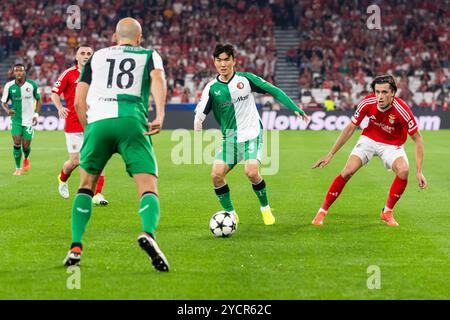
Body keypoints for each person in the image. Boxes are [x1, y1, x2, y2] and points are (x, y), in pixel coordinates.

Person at [63, 17, 169, 272]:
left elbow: (78, 102)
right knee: (147, 186)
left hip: (99, 123)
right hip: (132, 121)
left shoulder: (96, 57)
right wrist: (160, 113)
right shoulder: (149, 55)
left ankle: (76, 246)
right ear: (139, 38)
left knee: (86, 186)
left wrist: (90, 129)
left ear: (114, 36)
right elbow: (158, 79)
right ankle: (148, 233)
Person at [194, 43, 309, 226]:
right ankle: (231, 214)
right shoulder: (211, 88)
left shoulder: (246, 80)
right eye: (219, 60)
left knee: (251, 171)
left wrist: (295, 108)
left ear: (234, 61)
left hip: (252, 133)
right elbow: (202, 108)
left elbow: (274, 91)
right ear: (214, 62)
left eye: (226, 60)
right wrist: (198, 120)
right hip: (230, 137)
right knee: (216, 175)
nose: (223, 64)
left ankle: (265, 208)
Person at [312, 74, 427, 226]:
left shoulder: (402, 110)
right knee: (347, 171)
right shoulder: (367, 102)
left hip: (392, 145)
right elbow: (350, 127)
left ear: (393, 93)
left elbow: (418, 139)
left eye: (384, 92)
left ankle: (387, 212)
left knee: (404, 170)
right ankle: (322, 212)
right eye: (377, 91)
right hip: (369, 139)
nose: (380, 96)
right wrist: (330, 154)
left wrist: (419, 171)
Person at [51, 44, 109, 205]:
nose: (85, 55)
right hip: (74, 123)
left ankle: (97, 194)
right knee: (76, 161)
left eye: (89, 53)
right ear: (76, 56)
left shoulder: (99, 75)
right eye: (82, 53)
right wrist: (60, 107)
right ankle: (63, 178)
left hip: (94, 121)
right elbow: (54, 93)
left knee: (100, 157)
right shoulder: (69, 74)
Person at [1, 63, 41, 175]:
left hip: (29, 120)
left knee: (26, 146)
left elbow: (39, 100)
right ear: (14, 73)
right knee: (17, 141)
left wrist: (36, 115)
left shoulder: (32, 84)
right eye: (16, 71)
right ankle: (18, 168)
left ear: (24, 72)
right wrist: (7, 110)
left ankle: (26, 157)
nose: (19, 72)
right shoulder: (9, 86)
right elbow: (3, 102)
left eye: (21, 70)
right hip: (16, 119)